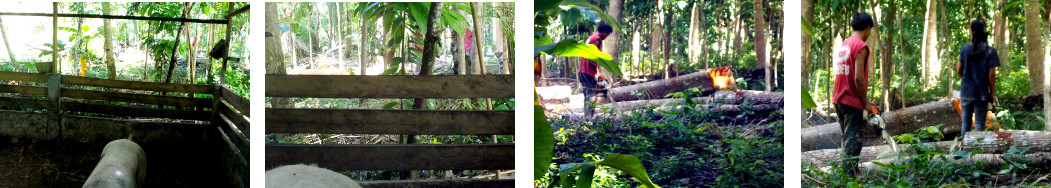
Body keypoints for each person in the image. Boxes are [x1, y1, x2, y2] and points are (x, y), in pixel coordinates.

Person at [832, 12, 875, 177]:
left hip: (839, 98)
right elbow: (858, 77)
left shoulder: (845, 44)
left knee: (847, 140)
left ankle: (852, 175)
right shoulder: (860, 46)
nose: (869, 34)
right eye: (870, 30)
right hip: (852, 100)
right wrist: (865, 102)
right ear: (867, 28)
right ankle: (848, 179)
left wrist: (866, 100)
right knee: (853, 142)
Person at [956, 19, 999, 139]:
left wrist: (966, 80)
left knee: (966, 123)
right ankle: (978, 153)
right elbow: (992, 74)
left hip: (965, 92)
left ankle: (964, 150)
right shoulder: (990, 51)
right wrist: (992, 92)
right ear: (985, 31)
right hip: (981, 93)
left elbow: (959, 70)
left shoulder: (965, 49)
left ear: (971, 31)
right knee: (979, 125)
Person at [580, 22, 613, 117]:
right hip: (588, 72)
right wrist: (596, 73)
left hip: (583, 71)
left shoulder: (591, 38)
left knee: (587, 96)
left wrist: (598, 72)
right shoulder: (597, 39)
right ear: (604, 31)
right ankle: (589, 119)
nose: (607, 36)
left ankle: (587, 119)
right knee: (592, 97)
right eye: (607, 33)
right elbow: (591, 58)